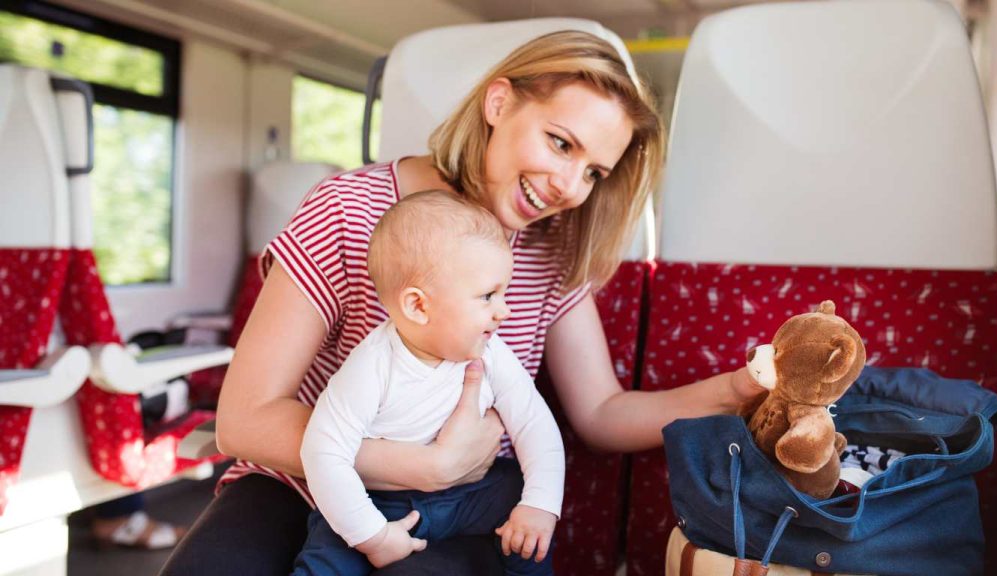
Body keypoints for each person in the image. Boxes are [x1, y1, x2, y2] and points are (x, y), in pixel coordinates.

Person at [159, 30, 764, 576]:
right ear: (498, 104)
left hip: (459, 504)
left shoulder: (554, 254)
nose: (569, 187)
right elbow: (243, 420)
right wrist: (422, 466)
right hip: (294, 480)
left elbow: (601, 413)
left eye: (593, 173)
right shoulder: (347, 210)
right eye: (560, 144)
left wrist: (736, 391)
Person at [292, 191, 563, 575]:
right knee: (329, 548)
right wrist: (373, 536)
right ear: (419, 306)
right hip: (382, 501)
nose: (504, 311)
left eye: (503, 292)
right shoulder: (372, 366)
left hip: (472, 494)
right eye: (487, 296)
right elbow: (323, 452)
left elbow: (534, 424)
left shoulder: (492, 352)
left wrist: (539, 504)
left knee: (520, 498)